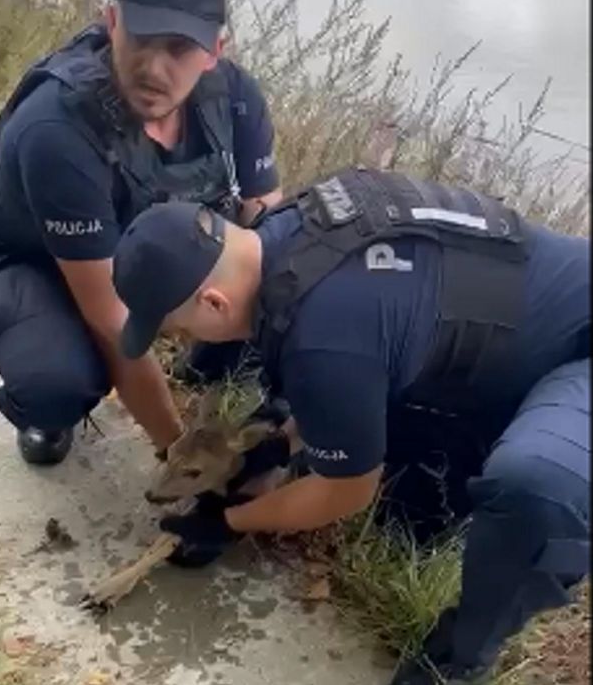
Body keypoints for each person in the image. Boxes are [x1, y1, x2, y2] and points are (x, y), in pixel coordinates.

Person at [111, 166, 590, 684]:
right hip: (498, 346)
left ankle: (459, 658)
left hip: (577, 351)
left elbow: (345, 491)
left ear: (214, 302)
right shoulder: (289, 230)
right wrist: (276, 447)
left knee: (535, 485)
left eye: (179, 328)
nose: (183, 340)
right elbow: (369, 341)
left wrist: (228, 523)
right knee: (411, 518)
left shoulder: (323, 335)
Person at [0, 0, 282, 466]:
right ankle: (48, 411)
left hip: (139, 253)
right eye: (141, 39)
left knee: (270, 292)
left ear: (215, 50)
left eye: (179, 48)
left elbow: (267, 225)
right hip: (35, 264)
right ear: (111, 21)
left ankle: (203, 369)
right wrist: (179, 456)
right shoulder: (56, 127)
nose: (154, 67)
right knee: (57, 379)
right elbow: (111, 318)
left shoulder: (236, 97)